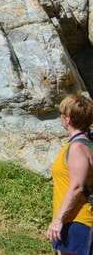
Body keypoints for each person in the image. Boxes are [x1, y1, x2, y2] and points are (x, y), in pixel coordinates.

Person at [47, 94, 93, 254]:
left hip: (78, 221)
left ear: (67, 119)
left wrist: (58, 220)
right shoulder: (84, 142)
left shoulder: (77, 148)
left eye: (62, 114)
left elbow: (76, 187)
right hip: (72, 220)